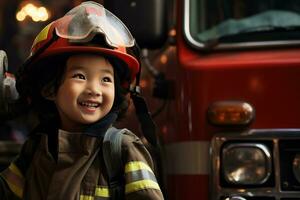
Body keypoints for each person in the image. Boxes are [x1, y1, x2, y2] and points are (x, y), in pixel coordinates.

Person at [0, 1, 164, 199]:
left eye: (106, 79)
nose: (94, 89)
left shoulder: (122, 150)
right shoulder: (36, 149)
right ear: (49, 89)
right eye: (80, 76)